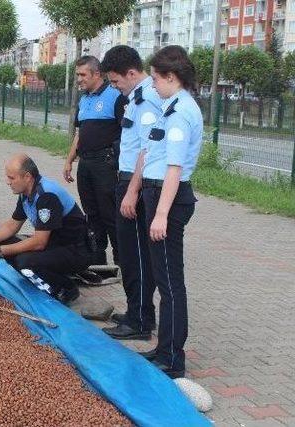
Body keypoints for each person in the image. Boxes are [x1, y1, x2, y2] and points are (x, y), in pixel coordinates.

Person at [138, 46, 204, 379]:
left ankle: (173, 358)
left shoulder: (180, 112)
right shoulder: (173, 105)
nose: (152, 86)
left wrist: (161, 214)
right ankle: (164, 349)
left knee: (170, 283)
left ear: (171, 77)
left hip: (169, 199)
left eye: (154, 79)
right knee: (165, 278)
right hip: (160, 194)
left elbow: (174, 168)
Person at [99, 45, 162, 341]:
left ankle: (139, 321)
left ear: (132, 73)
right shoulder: (137, 97)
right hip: (127, 181)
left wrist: (132, 191)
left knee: (135, 255)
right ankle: (137, 312)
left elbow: (147, 151)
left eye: (115, 81)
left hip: (134, 185)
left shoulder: (147, 100)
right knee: (130, 253)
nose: (114, 87)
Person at [0, 153, 95, 305]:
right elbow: (12, 225)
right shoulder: (26, 193)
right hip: (55, 244)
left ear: (27, 177)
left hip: (75, 250)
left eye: (12, 178)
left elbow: (39, 242)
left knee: (24, 261)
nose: (8, 182)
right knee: (3, 241)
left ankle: (65, 288)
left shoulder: (46, 196)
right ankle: (42, 275)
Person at [63, 56, 128, 266]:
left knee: (110, 214)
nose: (79, 79)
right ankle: (98, 260)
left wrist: (117, 162)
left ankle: (122, 262)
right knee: (91, 214)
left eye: (82, 75)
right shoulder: (84, 99)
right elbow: (80, 133)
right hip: (86, 164)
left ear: (97, 74)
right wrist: (69, 160)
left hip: (105, 164)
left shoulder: (115, 96)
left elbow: (126, 133)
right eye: (77, 75)